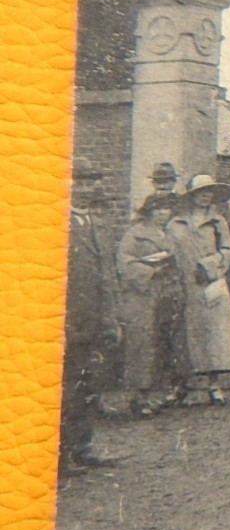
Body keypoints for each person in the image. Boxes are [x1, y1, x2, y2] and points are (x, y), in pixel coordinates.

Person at [60, 160, 122, 471]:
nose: (85, 189)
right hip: (67, 323)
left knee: (87, 386)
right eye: (79, 182)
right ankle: (58, 457)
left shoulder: (97, 226)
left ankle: (82, 447)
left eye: (90, 183)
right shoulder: (55, 224)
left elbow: (107, 277)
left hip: (94, 322)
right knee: (63, 388)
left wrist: (110, 318)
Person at [115, 192, 185, 415]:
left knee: (161, 342)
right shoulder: (135, 235)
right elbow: (123, 264)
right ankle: (138, 397)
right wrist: (149, 271)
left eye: (166, 209)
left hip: (165, 293)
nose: (163, 213)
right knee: (142, 343)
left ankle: (156, 394)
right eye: (158, 209)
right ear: (148, 211)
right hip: (142, 295)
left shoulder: (169, 234)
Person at [170, 174, 230, 404]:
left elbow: (227, 251)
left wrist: (209, 266)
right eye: (201, 192)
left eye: (210, 192)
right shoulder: (176, 222)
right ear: (191, 196)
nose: (206, 196)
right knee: (183, 335)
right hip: (183, 285)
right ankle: (181, 385)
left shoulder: (218, 223)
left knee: (214, 335)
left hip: (209, 285)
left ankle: (214, 385)